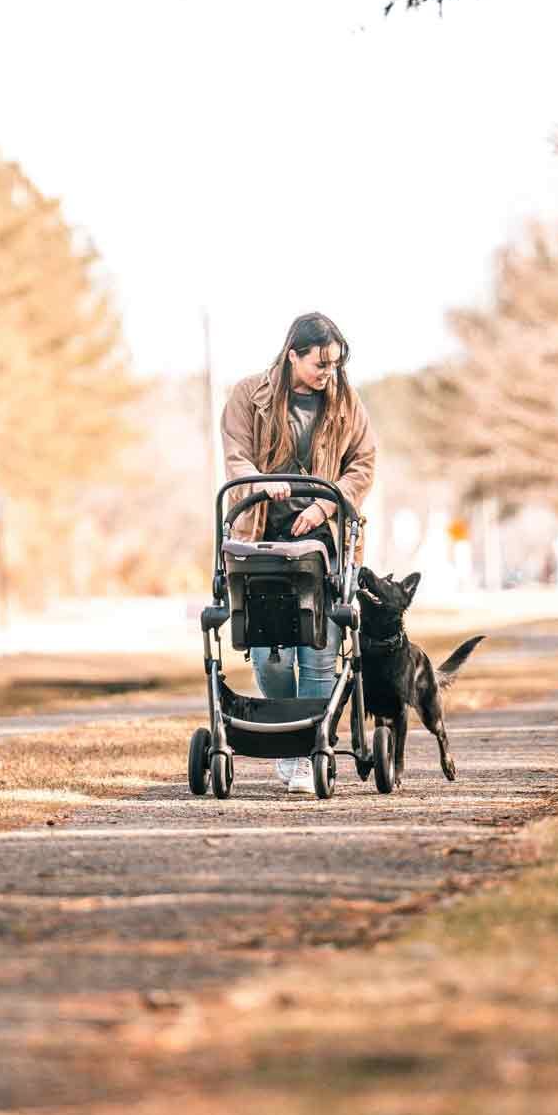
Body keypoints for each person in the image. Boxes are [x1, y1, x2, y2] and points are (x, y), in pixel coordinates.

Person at [220, 311, 377, 793]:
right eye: (320, 363)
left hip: (321, 546)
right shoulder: (250, 395)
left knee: (318, 651)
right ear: (293, 355)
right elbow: (236, 455)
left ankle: (312, 750)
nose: (328, 373)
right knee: (269, 653)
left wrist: (328, 509)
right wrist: (267, 487)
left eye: (334, 364)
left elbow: (362, 464)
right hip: (261, 538)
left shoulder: (346, 404)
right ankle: (287, 743)